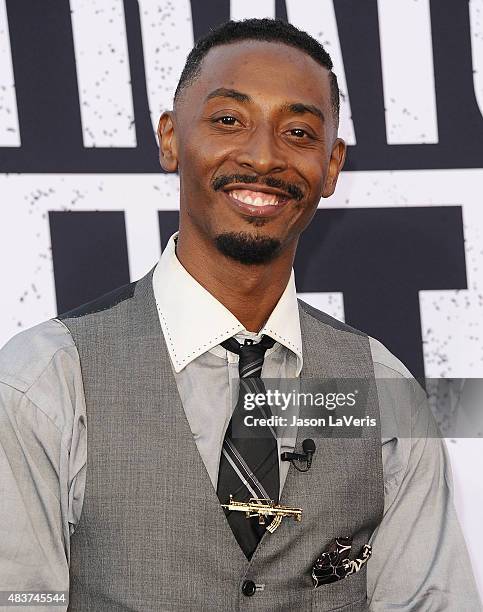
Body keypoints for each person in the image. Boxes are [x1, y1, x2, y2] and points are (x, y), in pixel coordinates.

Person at [0, 18, 480, 612]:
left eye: (300, 132)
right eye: (229, 121)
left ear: (332, 166)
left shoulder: (377, 390)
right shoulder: (46, 382)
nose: (263, 156)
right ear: (171, 139)